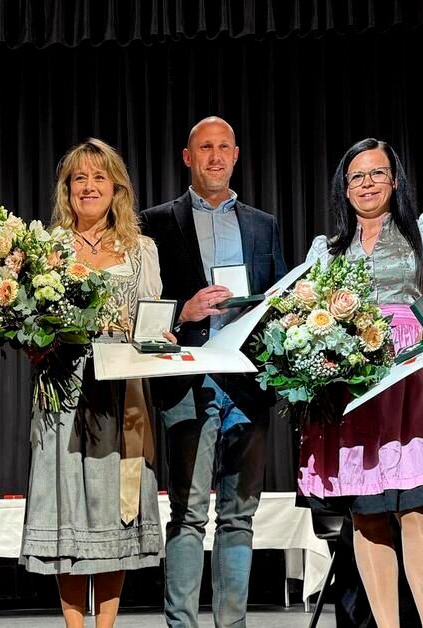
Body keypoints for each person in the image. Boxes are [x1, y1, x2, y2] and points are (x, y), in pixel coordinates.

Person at [300, 138, 423, 628]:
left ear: (394, 181)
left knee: (418, 506)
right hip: (353, 389)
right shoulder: (327, 251)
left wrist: (416, 349)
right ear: (344, 190)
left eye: (377, 174)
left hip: (411, 379)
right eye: (357, 177)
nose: (367, 184)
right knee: (367, 512)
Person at [141, 116, 288, 628]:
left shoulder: (263, 224)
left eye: (224, 146)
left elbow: (279, 305)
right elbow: (140, 307)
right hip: (187, 380)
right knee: (187, 513)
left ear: (237, 154)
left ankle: (233, 624)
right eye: (205, 147)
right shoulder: (155, 222)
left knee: (239, 517)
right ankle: (182, 623)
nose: (215, 156)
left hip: (246, 384)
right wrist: (184, 311)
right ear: (188, 157)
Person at [20, 138, 163, 628]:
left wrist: (154, 333)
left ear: (116, 187)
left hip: (122, 395)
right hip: (64, 392)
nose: (88, 186)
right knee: (70, 510)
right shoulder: (47, 248)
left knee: (112, 514)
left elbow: (151, 322)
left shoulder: (142, 249)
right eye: (78, 178)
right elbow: (29, 323)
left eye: (99, 177)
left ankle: (106, 626)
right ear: (66, 189)